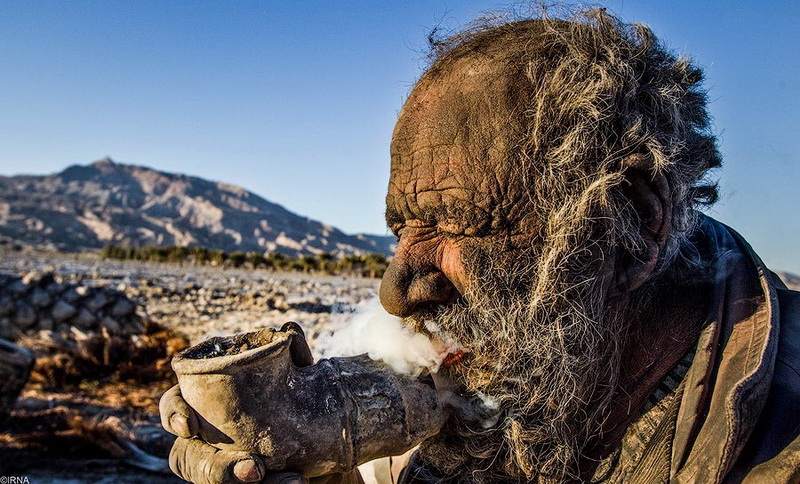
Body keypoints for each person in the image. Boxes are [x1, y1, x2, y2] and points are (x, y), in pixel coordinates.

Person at [160, 8, 800, 483]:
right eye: (400, 228)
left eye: (453, 223)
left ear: (627, 226)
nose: (394, 293)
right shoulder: (484, 395)